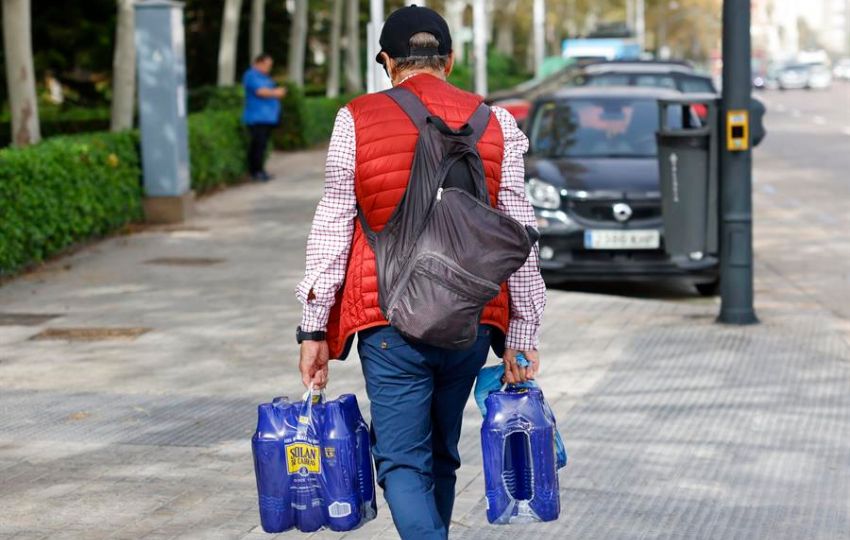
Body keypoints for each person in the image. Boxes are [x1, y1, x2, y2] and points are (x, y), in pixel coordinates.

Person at [295, 6, 546, 539]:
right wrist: (521, 337)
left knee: (403, 465)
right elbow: (522, 234)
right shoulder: (496, 121)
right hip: (472, 320)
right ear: (449, 61)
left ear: (387, 62)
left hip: (387, 319)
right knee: (441, 457)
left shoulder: (356, 118)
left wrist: (314, 327)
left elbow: (333, 225)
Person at [242, 53, 285, 181]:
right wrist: (276, 92)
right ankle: (255, 172)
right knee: (258, 145)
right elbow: (260, 91)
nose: (269, 68)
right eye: (267, 65)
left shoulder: (264, 76)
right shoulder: (251, 75)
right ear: (258, 63)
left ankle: (260, 170)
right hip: (257, 118)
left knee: (263, 146)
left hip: (267, 118)